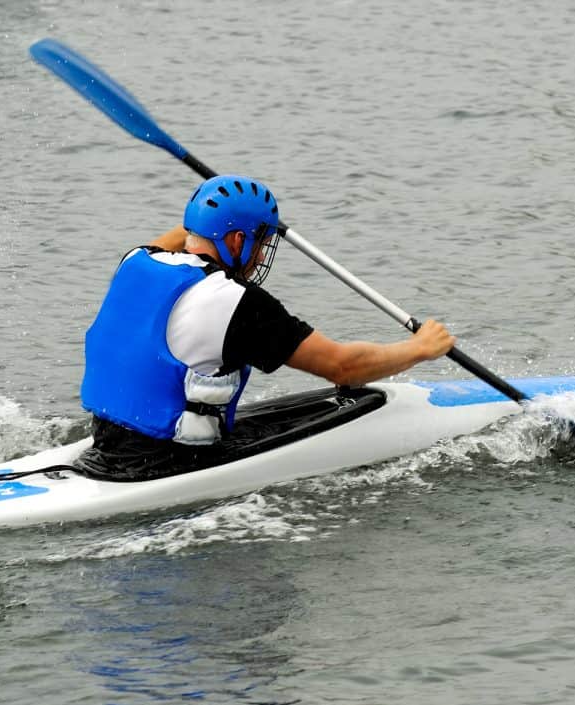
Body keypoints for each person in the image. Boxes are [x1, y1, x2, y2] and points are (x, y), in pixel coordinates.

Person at [76, 174, 455, 479]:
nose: (258, 258)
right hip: (170, 462)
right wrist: (421, 347)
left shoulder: (136, 261)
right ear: (238, 239)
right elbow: (345, 367)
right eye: (259, 244)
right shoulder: (235, 302)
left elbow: (186, 238)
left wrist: (219, 207)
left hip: (107, 441)